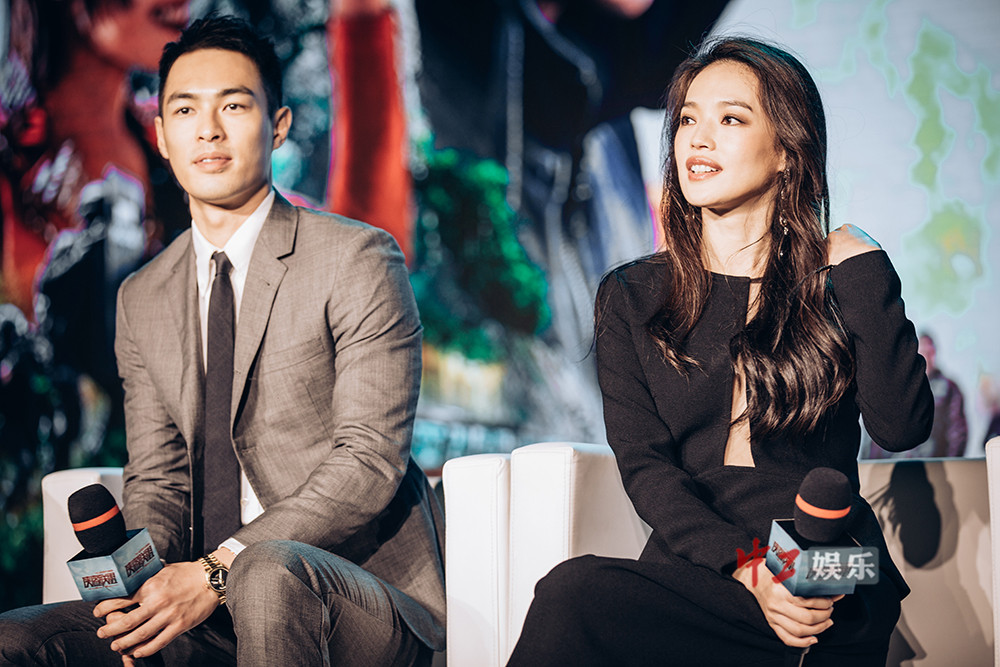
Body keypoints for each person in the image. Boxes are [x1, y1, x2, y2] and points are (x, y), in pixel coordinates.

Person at [0, 15, 444, 667]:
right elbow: (159, 479)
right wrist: (146, 583)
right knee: (18, 642)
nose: (208, 129)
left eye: (233, 105)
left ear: (279, 125)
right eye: (186, 109)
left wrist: (217, 569)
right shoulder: (143, 295)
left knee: (264, 574)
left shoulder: (357, 258)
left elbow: (368, 461)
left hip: (357, 593)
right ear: (161, 133)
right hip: (205, 604)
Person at [506, 37, 933, 666]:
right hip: (706, 562)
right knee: (573, 593)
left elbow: (901, 426)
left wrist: (866, 269)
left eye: (730, 119)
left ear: (787, 151)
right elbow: (647, 469)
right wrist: (748, 567)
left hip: (831, 560)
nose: (698, 140)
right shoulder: (632, 295)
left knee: (826, 582)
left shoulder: (840, 285)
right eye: (687, 120)